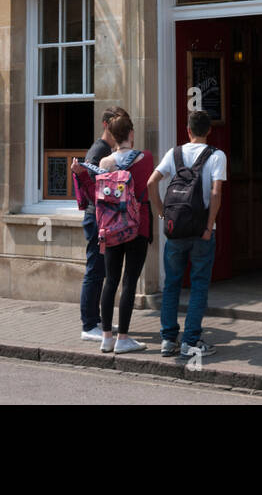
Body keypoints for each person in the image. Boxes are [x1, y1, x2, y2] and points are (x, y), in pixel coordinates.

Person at [147, 110, 226, 359]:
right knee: (199, 285)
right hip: (201, 231)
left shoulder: (174, 153)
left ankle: (168, 340)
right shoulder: (216, 156)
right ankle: (191, 341)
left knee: (171, 284)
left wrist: (162, 214)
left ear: (188, 130)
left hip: (176, 230)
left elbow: (151, 183)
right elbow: (215, 194)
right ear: (209, 130)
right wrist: (208, 226)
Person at [97, 113, 154, 353]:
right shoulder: (146, 158)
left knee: (110, 280)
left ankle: (106, 337)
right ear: (131, 134)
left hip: (110, 227)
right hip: (137, 226)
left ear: (111, 135)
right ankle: (123, 339)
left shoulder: (104, 163)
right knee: (129, 282)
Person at [78, 106, 127, 342]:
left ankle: (96, 320)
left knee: (100, 270)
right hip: (95, 217)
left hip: (101, 217)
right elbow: (93, 189)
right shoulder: (99, 150)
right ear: (107, 124)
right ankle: (88, 325)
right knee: (95, 270)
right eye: (118, 123)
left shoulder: (106, 150)